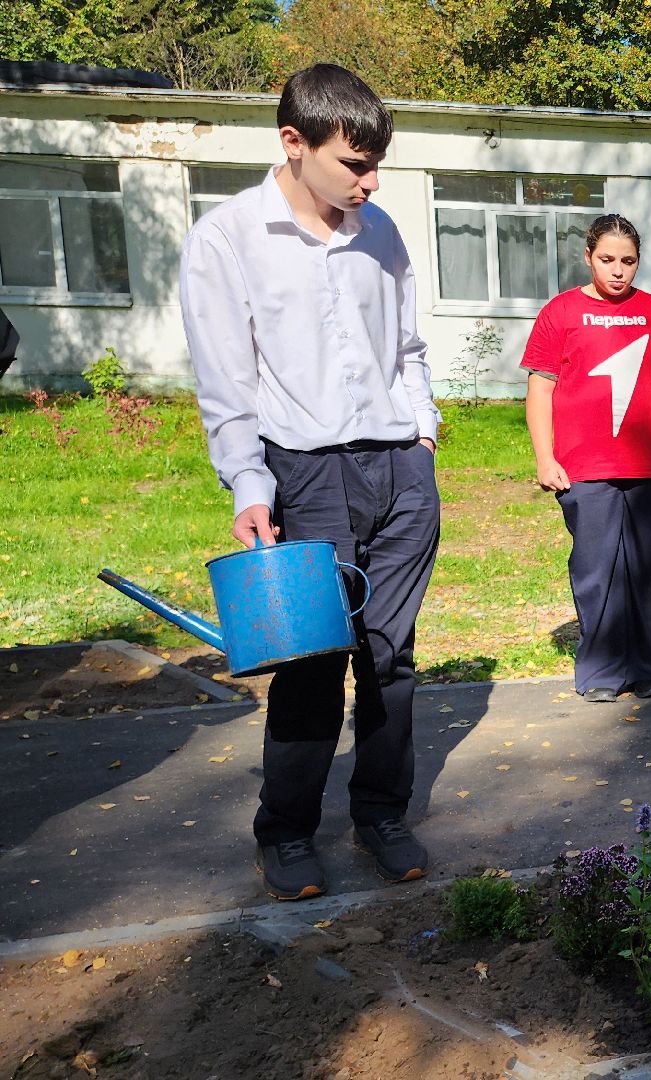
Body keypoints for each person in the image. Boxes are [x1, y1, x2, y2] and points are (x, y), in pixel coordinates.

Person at [180, 64, 440, 900]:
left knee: (391, 659)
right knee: (313, 660)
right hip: (306, 473)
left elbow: (406, 351)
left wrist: (423, 438)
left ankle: (381, 814)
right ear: (293, 144)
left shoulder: (383, 233)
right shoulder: (226, 239)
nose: (369, 183)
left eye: (376, 166)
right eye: (353, 166)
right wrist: (249, 485)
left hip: (398, 469)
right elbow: (226, 383)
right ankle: (287, 832)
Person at [523, 214, 651, 704]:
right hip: (584, 468)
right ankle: (600, 668)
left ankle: (645, 667)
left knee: (645, 569)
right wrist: (544, 457)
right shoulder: (560, 313)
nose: (618, 270)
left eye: (628, 261)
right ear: (587, 257)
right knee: (595, 568)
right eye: (607, 260)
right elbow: (540, 387)